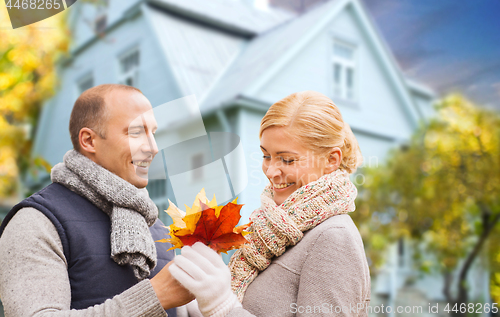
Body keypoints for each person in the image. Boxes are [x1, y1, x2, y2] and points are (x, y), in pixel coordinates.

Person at [168, 91, 371, 317]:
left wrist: (222, 307)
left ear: (331, 160)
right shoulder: (268, 233)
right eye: (266, 156)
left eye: (287, 159)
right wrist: (192, 300)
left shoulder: (334, 238)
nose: (271, 171)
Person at [0, 84, 194, 316]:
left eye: (153, 133)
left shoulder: (158, 229)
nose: (152, 147)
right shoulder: (36, 221)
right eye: (135, 132)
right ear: (89, 141)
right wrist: (155, 296)